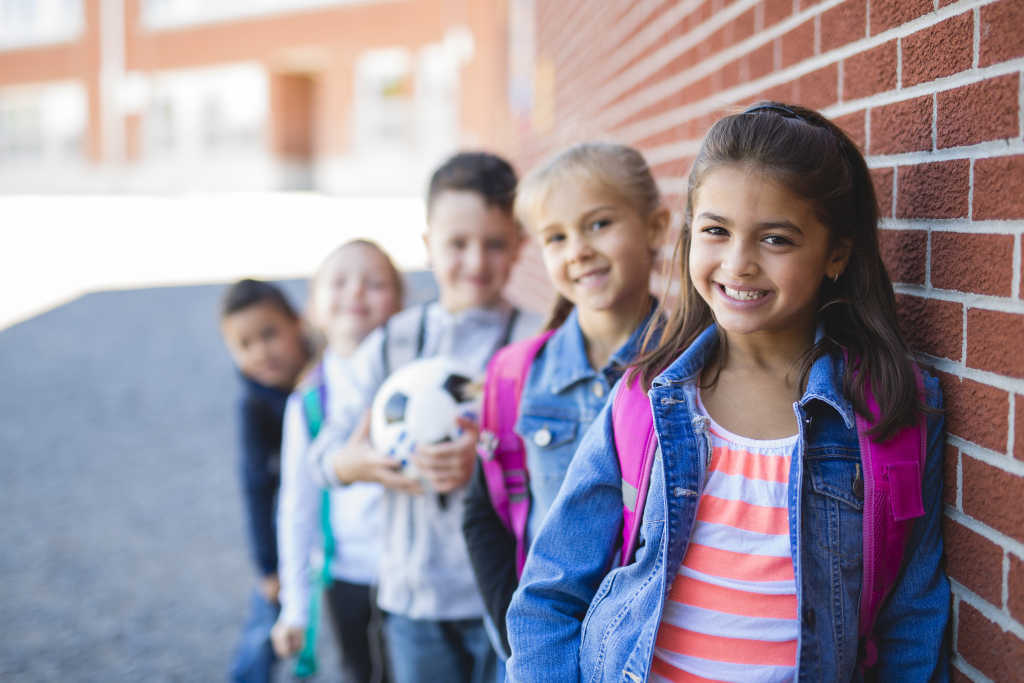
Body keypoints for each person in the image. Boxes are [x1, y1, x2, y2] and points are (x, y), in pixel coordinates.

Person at [505, 102, 950, 683]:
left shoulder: (893, 409)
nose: (738, 264)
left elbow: (911, 619)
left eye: (776, 239)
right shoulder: (644, 398)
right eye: (716, 231)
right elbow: (551, 590)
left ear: (836, 253)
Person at [305, 152, 543, 683]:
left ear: (520, 246)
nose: (476, 261)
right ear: (428, 246)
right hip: (413, 601)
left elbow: (560, 458)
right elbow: (322, 459)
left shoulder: (534, 343)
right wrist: (359, 462)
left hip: (508, 599)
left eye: (495, 243)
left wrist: (486, 454)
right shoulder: (392, 343)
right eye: (458, 244)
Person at [462, 142, 668, 660]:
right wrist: (519, 642)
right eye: (556, 237)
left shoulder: (692, 368)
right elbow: (484, 515)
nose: (577, 249)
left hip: (650, 649)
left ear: (656, 228)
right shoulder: (515, 376)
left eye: (598, 224)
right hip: (549, 650)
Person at [271, 240, 405, 683]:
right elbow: (297, 505)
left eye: (375, 283)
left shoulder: (416, 383)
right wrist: (294, 604)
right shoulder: (309, 402)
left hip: (413, 572)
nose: (356, 293)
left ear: (400, 304)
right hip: (345, 572)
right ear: (313, 307)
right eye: (339, 281)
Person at [220, 279, 310, 683]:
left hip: (328, 526)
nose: (260, 352)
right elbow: (256, 485)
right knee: (264, 629)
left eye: (269, 334)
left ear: (298, 324)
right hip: (286, 535)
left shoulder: (326, 379)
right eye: (245, 344)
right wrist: (268, 567)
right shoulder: (255, 404)